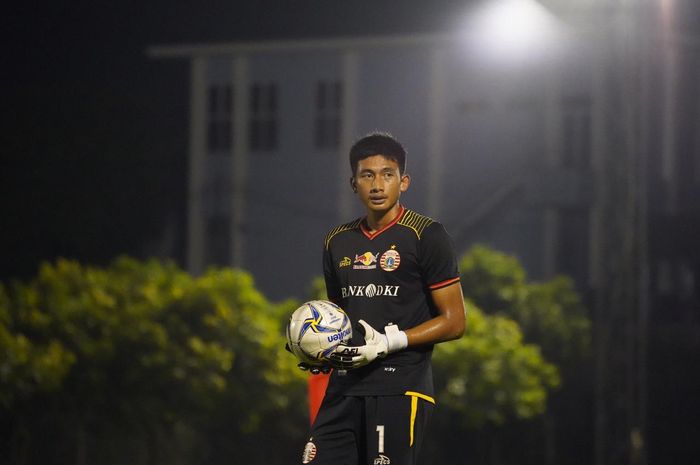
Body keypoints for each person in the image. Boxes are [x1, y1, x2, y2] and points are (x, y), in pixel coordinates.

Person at [299, 132, 466, 465]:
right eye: (367, 175)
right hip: (344, 387)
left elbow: (455, 322)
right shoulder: (337, 241)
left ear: (403, 182)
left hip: (399, 386)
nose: (377, 185)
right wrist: (318, 347)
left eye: (387, 174)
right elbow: (340, 319)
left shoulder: (427, 235)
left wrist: (393, 341)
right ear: (353, 183)